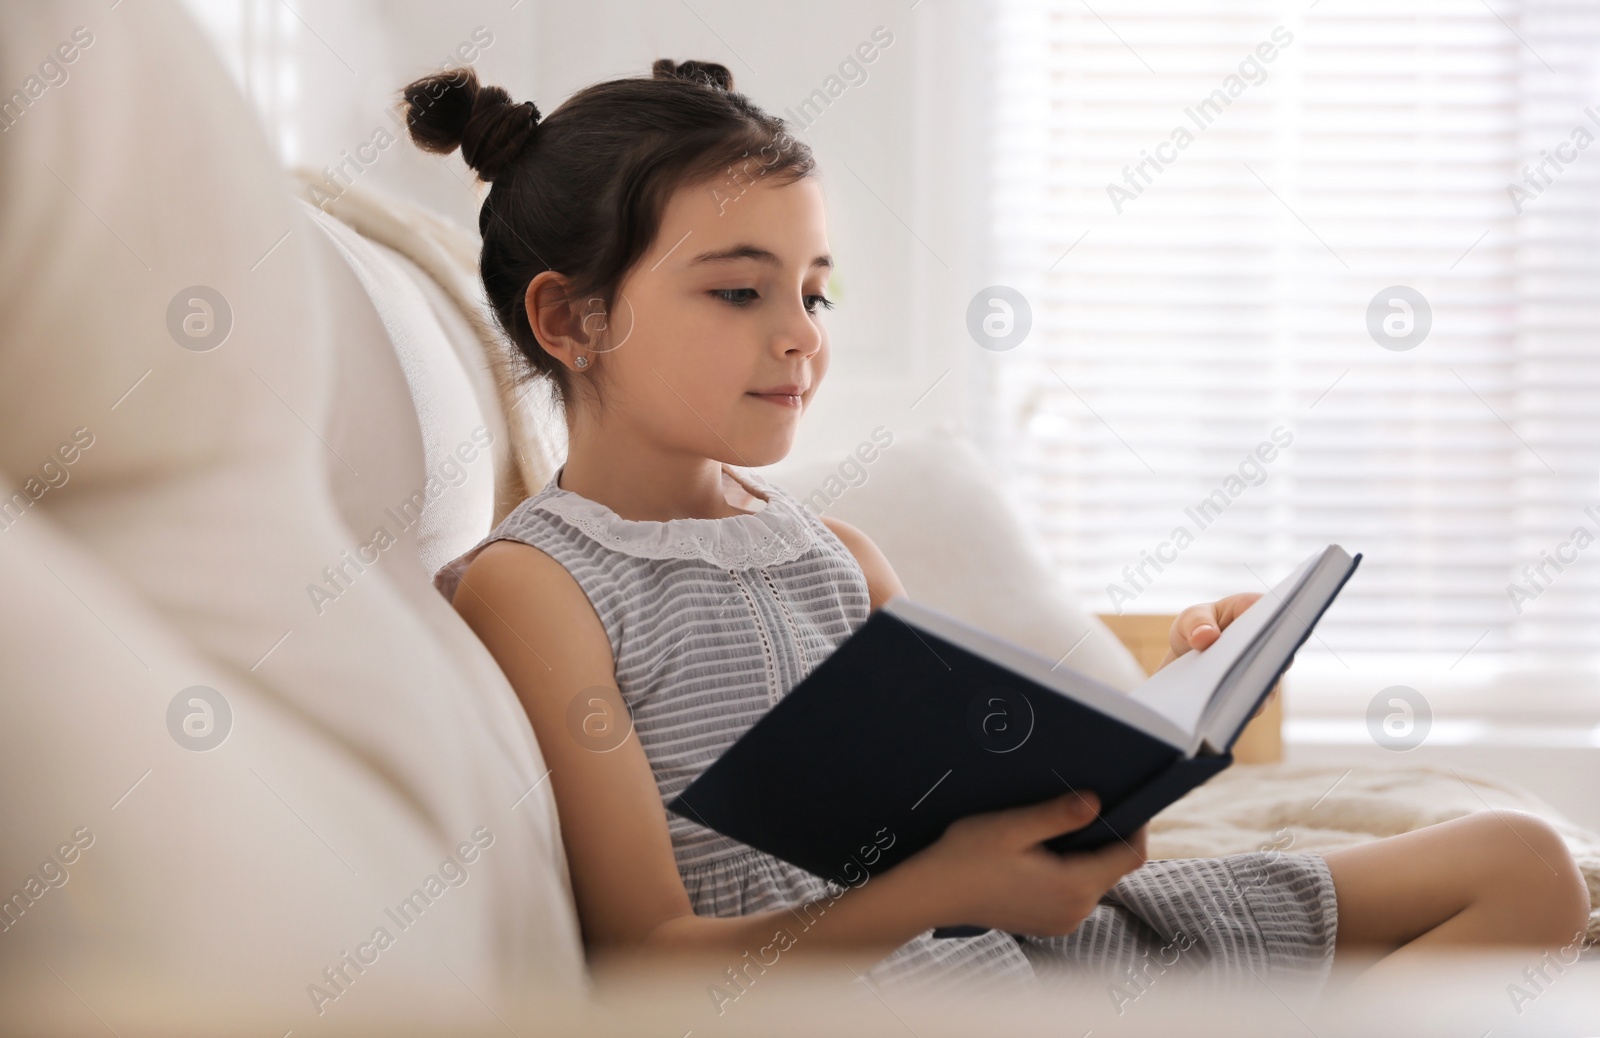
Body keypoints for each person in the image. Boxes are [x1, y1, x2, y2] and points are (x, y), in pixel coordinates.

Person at [417, 59, 1590, 1004]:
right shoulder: (540, 586)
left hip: (1036, 944)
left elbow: (994, 775)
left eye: (813, 292)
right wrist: (936, 891)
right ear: (571, 318)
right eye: (740, 291)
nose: (800, 336)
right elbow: (647, 965)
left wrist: (1175, 703)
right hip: (901, 980)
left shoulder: (832, 553)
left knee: (1520, 865)